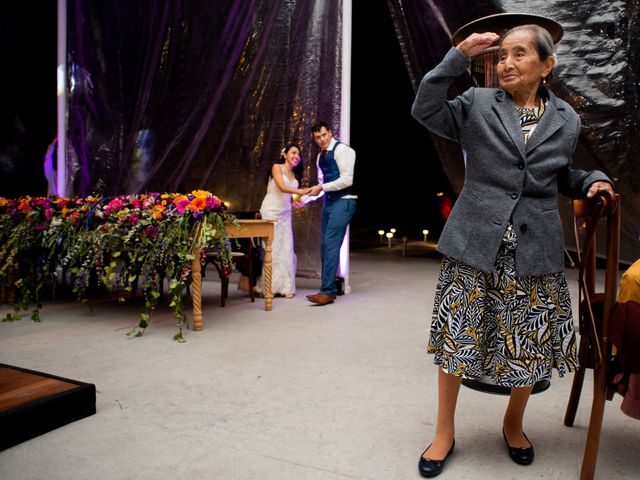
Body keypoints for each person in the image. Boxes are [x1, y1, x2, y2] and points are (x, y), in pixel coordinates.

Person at [411, 25, 614, 477]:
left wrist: (592, 179)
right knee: (456, 340)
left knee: (527, 342)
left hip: (534, 243)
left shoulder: (565, 117)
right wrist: (456, 58)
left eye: (518, 54)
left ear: (546, 65)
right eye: (501, 55)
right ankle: (444, 432)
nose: (505, 63)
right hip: (474, 241)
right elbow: (424, 107)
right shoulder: (477, 104)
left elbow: (562, 174)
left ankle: (514, 423)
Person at [305, 121, 357, 306]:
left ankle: (326, 292)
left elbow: (346, 180)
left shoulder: (345, 151)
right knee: (324, 246)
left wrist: (321, 187)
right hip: (329, 202)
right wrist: (304, 198)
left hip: (344, 201)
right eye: (317, 137)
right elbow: (321, 186)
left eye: (324, 135)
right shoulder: (321, 157)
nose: (321, 140)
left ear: (330, 133)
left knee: (331, 244)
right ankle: (330, 288)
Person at [256, 144, 310, 298]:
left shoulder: (295, 174)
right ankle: (268, 287)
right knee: (271, 248)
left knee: (286, 248)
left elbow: (290, 196)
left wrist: (297, 201)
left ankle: (286, 287)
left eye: (298, 155)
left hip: (286, 213)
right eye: (293, 152)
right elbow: (281, 187)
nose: (296, 156)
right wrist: (300, 191)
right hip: (271, 210)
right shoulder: (276, 167)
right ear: (285, 154)